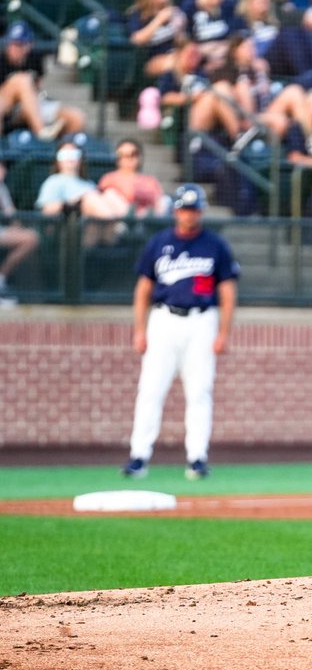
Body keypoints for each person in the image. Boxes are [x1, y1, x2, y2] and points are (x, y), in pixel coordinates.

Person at [121, 185, 239, 481]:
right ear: (175, 211)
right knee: (151, 389)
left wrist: (223, 332)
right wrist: (139, 329)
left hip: (201, 320)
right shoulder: (159, 243)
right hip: (164, 319)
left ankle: (197, 458)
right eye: (185, 209)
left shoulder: (215, 245)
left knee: (199, 390)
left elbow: (227, 290)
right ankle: (139, 456)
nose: (190, 214)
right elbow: (144, 288)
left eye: (195, 209)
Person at [0, 21, 86, 141]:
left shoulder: (34, 58)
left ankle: (57, 153)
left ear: (29, 45)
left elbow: (38, 86)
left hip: (28, 107)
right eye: (13, 44)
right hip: (6, 107)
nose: (16, 48)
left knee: (76, 118)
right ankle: (41, 131)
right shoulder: (1, 58)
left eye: (21, 44)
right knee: (22, 80)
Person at [97, 139, 171, 219]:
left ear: (139, 157)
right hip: (119, 220)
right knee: (109, 194)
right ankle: (130, 221)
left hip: (146, 218)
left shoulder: (150, 180)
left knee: (165, 200)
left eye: (133, 154)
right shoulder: (109, 178)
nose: (129, 158)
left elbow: (157, 200)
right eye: (123, 155)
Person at [0, 166, 38, 307]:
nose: (2, 170)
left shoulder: (1, 187)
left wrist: (16, 227)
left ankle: (1, 278)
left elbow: (11, 214)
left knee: (31, 238)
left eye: (3, 166)